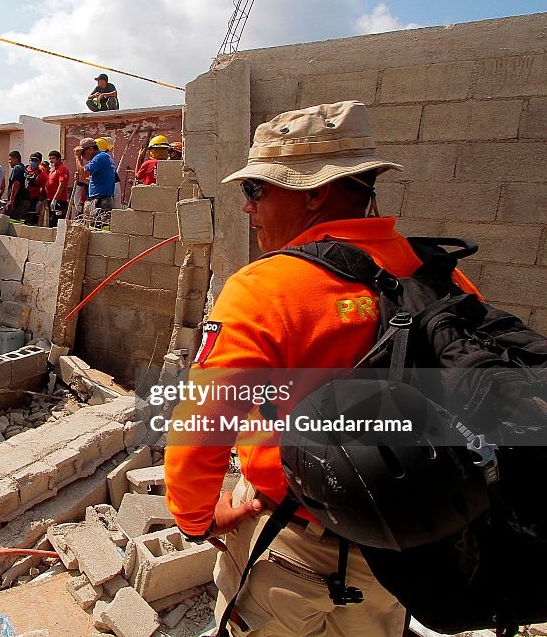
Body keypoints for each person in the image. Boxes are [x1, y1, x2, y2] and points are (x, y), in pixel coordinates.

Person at [163, 101, 485, 636]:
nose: (248, 209)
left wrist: (195, 518)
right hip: (406, 556)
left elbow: (202, 429)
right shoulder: (442, 278)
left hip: (294, 550)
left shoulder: (265, 289)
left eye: (256, 191)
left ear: (314, 191)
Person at [73, 137, 115, 220]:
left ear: (90, 149)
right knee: (99, 227)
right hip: (102, 198)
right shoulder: (104, 157)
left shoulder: (99, 158)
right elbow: (95, 180)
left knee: (98, 227)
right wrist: (81, 179)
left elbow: (83, 173)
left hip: (100, 200)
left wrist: (77, 158)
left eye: (83, 153)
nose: (83, 156)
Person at [21, 152, 48, 225]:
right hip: (22, 200)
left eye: (36, 160)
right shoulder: (24, 170)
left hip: (33, 201)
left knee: (31, 221)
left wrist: (40, 201)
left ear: (39, 162)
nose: (33, 162)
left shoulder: (41, 174)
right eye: (32, 160)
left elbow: (44, 189)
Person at [45, 150, 70, 226]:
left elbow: (61, 185)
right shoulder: (52, 169)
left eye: (53, 158)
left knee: (56, 221)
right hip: (50, 199)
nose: (51, 160)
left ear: (58, 159)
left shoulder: (62, 169)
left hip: (59, 200)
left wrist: (55, 199)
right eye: (50, 159)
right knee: (51, 221)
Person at [5, 150, 27, 219]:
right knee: (20, 221)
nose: (9, 162)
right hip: (24, 200)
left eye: (10, 159)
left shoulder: (17, 168)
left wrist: (11, 200)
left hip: (18, 201)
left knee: (12, 221)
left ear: (15, 159)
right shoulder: (24, 168)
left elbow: (16, 184)